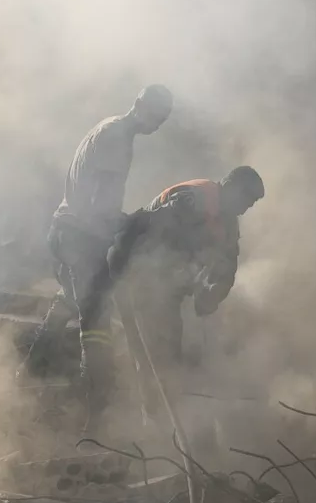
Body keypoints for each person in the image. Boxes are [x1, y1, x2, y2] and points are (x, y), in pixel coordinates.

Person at [22, 85, 173, 431]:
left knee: (71, 300)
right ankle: (98, 408)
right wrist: (131, 221)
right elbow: (100, 203)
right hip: (80, 235)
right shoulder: (117, 139)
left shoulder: (110, 130)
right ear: (138, 104)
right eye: (155, 116)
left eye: (162, 121)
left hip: (69, 231)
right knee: (96, 321)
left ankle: (32, 367)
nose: (157, 125)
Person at [108, 165, 265, 415]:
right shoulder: (194, 199)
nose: (247, 208)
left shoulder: (227, 224)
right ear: (232, 188)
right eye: (247, 199)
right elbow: (138, 226)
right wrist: (118, 269)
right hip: (136, 277)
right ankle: (151, 419)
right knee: (151, 354)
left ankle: (165, 415)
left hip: (167, 289)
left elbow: (227, 271)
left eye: (252, 203)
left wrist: (210, 297)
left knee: (169, 353)